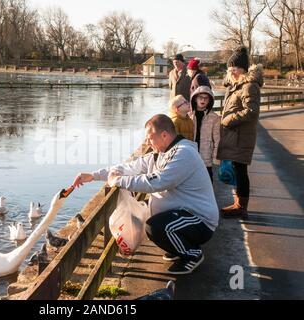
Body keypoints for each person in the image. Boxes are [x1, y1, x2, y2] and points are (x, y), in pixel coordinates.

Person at [73, 114, 218, 275]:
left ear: (164, 135)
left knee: (154, 227)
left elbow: (157, 182)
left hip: (200, 220)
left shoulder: (184, 154)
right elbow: (128, 167)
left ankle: (192, 254)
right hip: (184, 214)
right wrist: (93, 176)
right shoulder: (160, 153)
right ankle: (179, 247)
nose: (147, 142)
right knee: (151, 222)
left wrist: (119, 181)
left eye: (150, 138)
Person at [217, 46, 263, 219]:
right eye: (229, 69)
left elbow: (252, 111)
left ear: (243, 69)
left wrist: (228, 119)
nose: (232, 72)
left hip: (241, 137)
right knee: (238, 169)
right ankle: (238, 203)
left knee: (241, 170)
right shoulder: (236, 85)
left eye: (235, 68)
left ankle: (241, 207)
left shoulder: (249, 86)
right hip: (235, 136)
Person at [190, 86, 220, 183]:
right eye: (200, 97)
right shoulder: (188, 115)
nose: (203, 100)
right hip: (191, 153)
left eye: (206, 98)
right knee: (191, 181)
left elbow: (217, 139)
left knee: (207, 181)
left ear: (209, 101)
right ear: (195, 99)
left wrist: (215, 158)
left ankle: (208, 198)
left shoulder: (214, 118)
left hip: (206, 154)